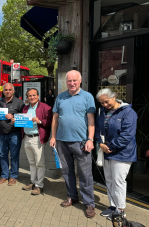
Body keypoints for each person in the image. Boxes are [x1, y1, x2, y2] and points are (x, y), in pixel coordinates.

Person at [50, 70, 96, 218]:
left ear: (80, 80)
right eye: (69, 81)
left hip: (81, 142)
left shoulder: (87, 97)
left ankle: (89, 203)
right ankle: (72, 196)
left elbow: (91, 120)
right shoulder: (60, 97)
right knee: (66, 171)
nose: (72, 83)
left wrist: (90, 139)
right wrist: (53, 137)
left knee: (85, 174)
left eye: (74, 80)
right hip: (62, 141)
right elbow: (55, 119)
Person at [95, 88, 137, 219]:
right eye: (102, 103)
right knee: (109, 180)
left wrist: (111, 146)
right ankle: (112, 206)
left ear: (114, 97)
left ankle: (120, 210)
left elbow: (128, 135)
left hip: (123, 153)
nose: (104, 105)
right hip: (107, 151)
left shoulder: (128, 112)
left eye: (106, 102)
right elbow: (97, 130)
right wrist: (100, 144)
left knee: (118, 181)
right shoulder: (102, 112)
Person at [13, 88, 52, 195]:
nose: (32, 97)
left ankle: (39, 185)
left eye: (34, 95)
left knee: (40, 163)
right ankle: (33, 181)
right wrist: (15, 120)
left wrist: (39, 121)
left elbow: (50, 122)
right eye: (29, 96)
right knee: (31, 162)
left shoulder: (45, 107)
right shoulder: (25, 108)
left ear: (38, 96)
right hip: (27, 137)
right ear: (27, 97)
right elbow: (22, 121)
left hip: (37, 138)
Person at [0, 83, 25, 186]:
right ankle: (4, 176)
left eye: (9, 90)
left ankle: (13, 176)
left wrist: (14, 116)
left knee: (14, 155)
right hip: (1, 134)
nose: (7, 91)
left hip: (14, 134)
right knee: (2, 155)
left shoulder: (19, 102)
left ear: (13, 91)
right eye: (6, 90)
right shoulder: (0, 102)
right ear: (3, 91)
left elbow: (24, 116)